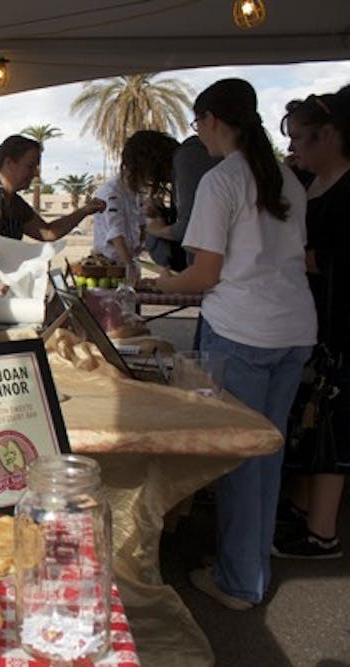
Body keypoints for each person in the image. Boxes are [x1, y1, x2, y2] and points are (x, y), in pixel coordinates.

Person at [143, 78, 316, 610]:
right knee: (267, 453)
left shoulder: (223, 181)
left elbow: (204, 274)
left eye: (198, 125)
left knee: (240, 458)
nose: (199, 134)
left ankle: (241, 580)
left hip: (242, 331)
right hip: (293, 330)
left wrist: (152, 285)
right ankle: (251, 564)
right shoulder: (286, 178)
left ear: (212, 120)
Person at [273, 88, 350, 559]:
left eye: (302, 139)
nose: (295, 148)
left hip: (341, 321)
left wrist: (299, 258)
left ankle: (323, 533)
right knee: (311, 417)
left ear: (331, 136)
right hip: (311, 319)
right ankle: (303, 509)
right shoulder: (311, 181)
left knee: (335, 425)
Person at [0, 135, 105, 302]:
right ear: (9, 163)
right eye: (30, 166)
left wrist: (84, 211)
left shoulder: (14, 202)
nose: (35, 174)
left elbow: (48, 232)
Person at [92, 130, 177, 266]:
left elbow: (141, 224)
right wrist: (129, 265)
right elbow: (115, 233)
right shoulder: (111, 192)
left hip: (130, 259)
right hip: (109, 264)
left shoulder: (135, 192)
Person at [145, 134, 221, 270]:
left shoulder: (187, 157)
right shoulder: (188, 158)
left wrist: (158, 230)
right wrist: (163, 214)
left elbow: (189, 227)